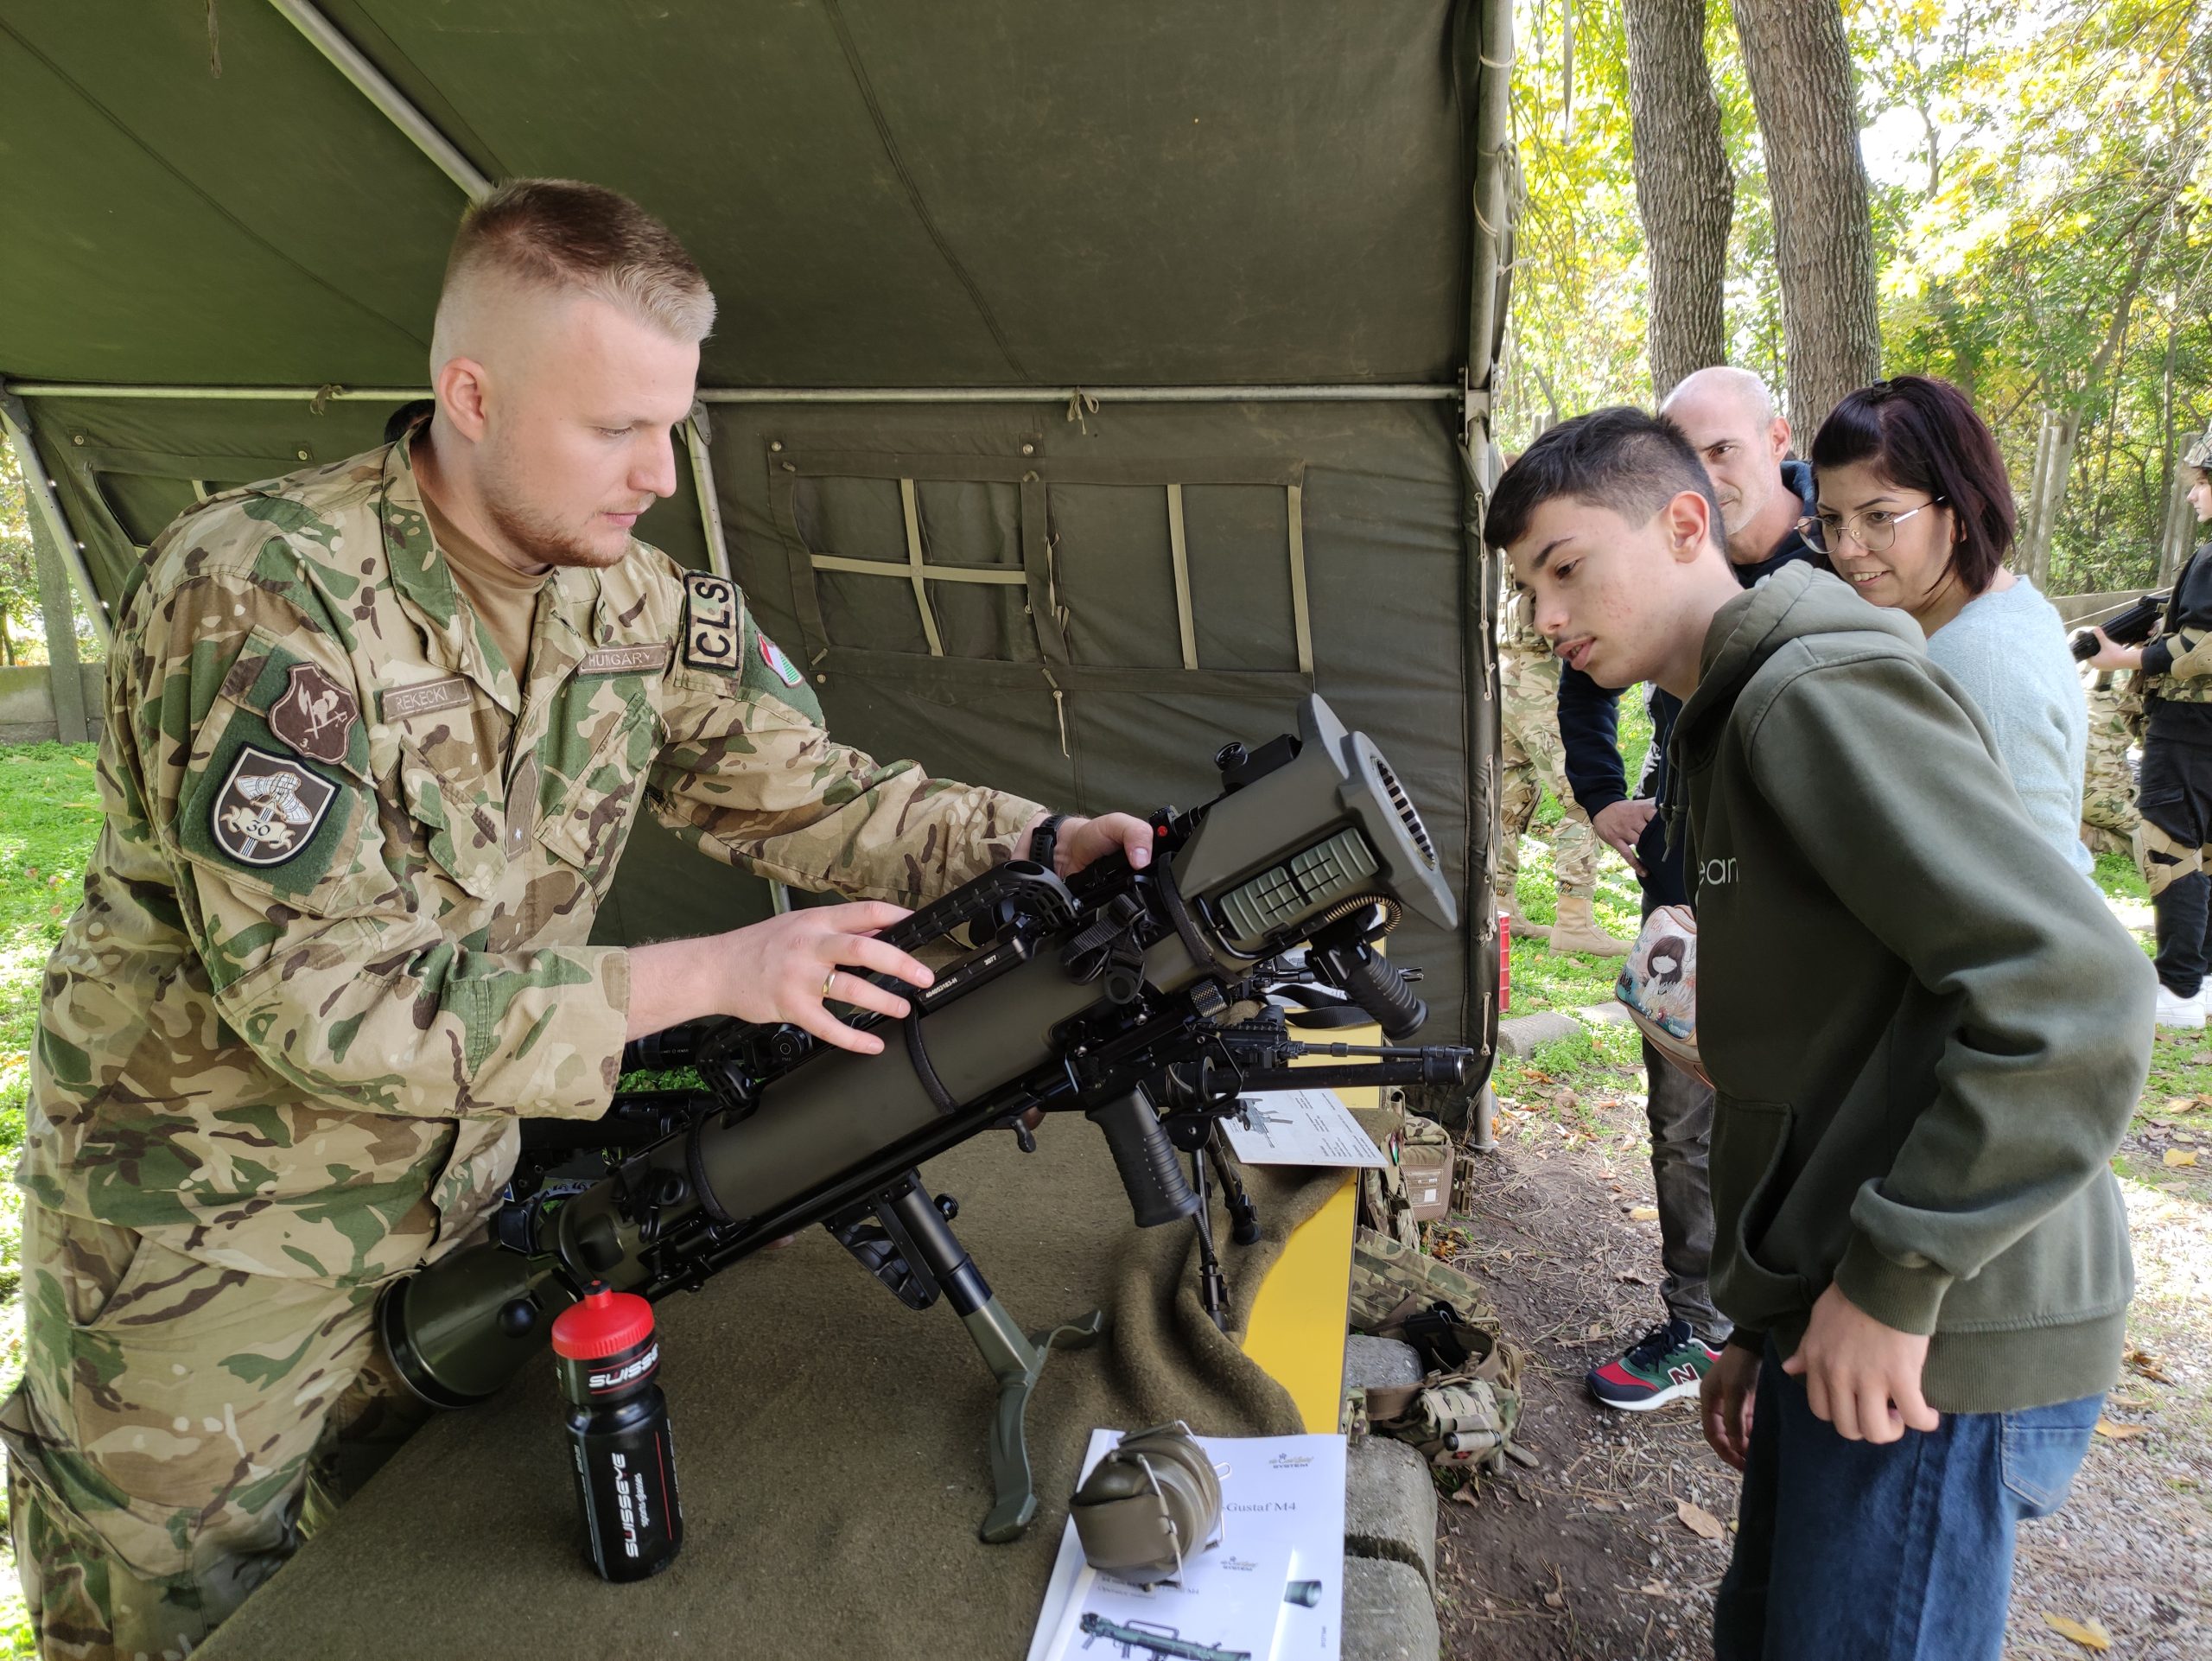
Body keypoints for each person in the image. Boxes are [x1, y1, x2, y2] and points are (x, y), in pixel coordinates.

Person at [0, 179, 1156, 1661]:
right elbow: (320, 999)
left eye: (670, 424)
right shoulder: (264, 598)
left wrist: (1040, 841)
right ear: (468, 396)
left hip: (453, 1210)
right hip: (211, 1250)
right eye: (617, 429)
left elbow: (810, 794)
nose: (659, 474)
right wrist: (713, 972)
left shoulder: (634, 603)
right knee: (175, 1627)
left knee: (408, 1593)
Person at [1492, 405, 2150, 1661]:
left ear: (1688, 523)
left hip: (1935, 1332)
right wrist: (1763, 1312)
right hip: (1838, 1304)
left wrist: (1894, 1283)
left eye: (1565, 566)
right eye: (1527, 586)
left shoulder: (1813, 689)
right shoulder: (1727, 712)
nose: (1543, 617)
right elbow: (1825, 1049)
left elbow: (2075, 992)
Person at [1558, 366, 1818, 1410]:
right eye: (1688, 455)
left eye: (1725, 450)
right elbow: (1585, 669)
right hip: (1681, 899)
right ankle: (1701, 1327)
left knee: (1801, 1120)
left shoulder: (1843, 565)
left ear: (1776, 438)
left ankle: (1797, 1325)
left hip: (1804, 928)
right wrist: (1602, 795)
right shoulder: (1657, 561)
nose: (1709, 478)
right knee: (1685, 1121)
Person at [1809, 375, 2091, 875]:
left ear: (1962, 511)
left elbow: (2036, 883)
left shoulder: (1979, 657)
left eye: (1879, 516)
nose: (1847, 549)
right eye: (1832, 520)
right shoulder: (2007, 609)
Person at [2088, 430, 2212, 1028]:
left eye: (2204, 483)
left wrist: (2124, 660)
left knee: (2167, 845)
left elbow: (2201, 645)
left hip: (2188, 725)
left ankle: (2182, 988)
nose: (2195, 496)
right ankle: (2201, 978)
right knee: (2205, 852)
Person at [1495, 576, 1630, 956]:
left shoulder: (1505, 543)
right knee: (1584, 800)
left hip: (1502, 675)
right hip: (1543, 682)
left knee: (1506, 801)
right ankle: (1573, 923)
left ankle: (1501, 908)